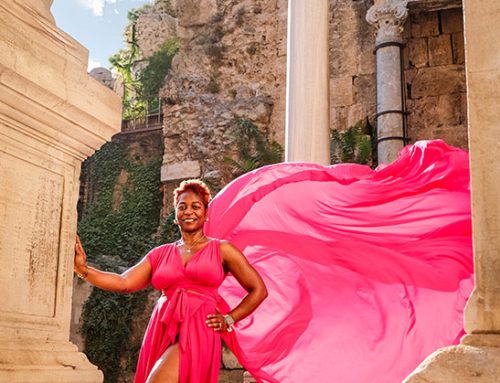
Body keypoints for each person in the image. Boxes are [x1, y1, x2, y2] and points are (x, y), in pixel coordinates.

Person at [74, 179, 268, 383]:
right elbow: (124, 282)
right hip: (162, 327)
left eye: (196, 206)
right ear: (175, 216)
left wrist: (229, 319)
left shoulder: (222, 249)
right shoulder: (160, 253)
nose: (188, 212)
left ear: (206, 213)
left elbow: (258, 290)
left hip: (199, 328)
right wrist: (84, 270)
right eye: (182, 207)